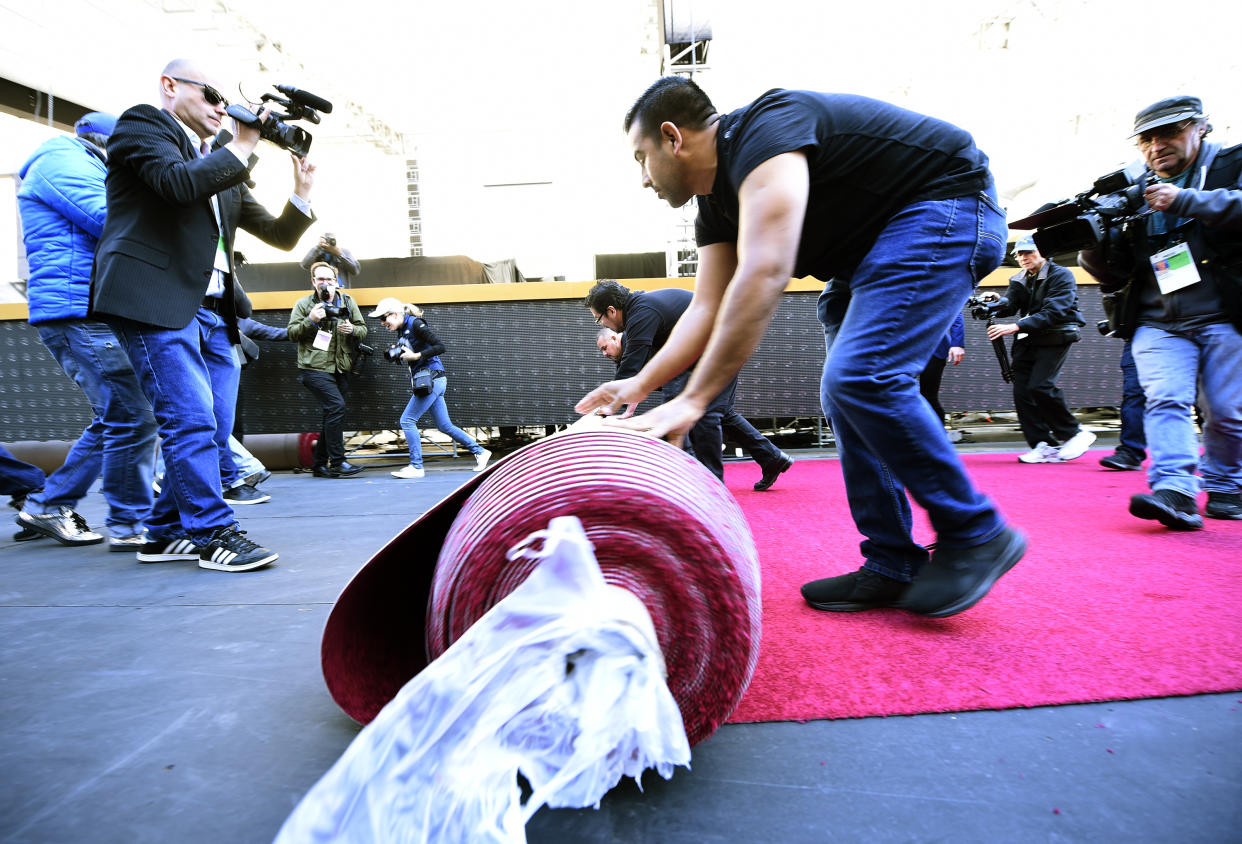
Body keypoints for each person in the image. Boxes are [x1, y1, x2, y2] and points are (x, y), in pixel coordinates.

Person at [576, 77, 1024, 618]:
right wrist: (639, 385)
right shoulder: (715, 207)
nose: (643, 180)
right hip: (865, 254)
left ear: (672, 137)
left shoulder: (765, 129)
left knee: (865, 377)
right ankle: (892, 561)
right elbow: (705, 308)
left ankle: (976, 531)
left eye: (640, 158)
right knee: (847, 396)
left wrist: (694, 400)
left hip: (945, 204)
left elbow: (765, 272)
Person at [91, 59, 316, 571]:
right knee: (189, 419)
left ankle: (164, 531)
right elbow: (176, 185)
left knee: (213, 426)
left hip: (215, 312)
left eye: (225, 99)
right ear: (170, 86)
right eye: (212, 94)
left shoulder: (221, 166)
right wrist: (243, 142)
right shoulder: (143, 125)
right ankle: (213, 533)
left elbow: (279, 236)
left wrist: (301, 191)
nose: (221, 107)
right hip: (155, 300)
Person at [1079, 95, 1242, 528]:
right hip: (1156, 320)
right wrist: (1090, 244)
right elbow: (1110, 272)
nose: (1156, 146)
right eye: (1146, 139)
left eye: (1167, 133)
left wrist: (1184, 200)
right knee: (1165, 400)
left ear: (1200, 128)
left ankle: (1227, 483)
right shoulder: (1131, 192)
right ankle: (1175, 490)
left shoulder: (1231, 164)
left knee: (1226, 411)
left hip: (1226, 314)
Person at [15, 111, 158, 550]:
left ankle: (48, 505)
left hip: (87, 308)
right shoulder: (63, 158)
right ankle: (129, 523)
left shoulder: (85, 163)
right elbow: (110, 220)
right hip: (79, 310)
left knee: (119, 414)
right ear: (109, 143)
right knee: (132, 415)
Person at [585, 280, 793, 488]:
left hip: (718, 347)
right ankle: (771, 458)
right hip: (715, 347)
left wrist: (606, 410)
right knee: (721, 413)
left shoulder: (641, 313)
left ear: (611, 311)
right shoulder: (641, 309)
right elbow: (642, 371)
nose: (602, 324)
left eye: (598, 319)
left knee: (702, 413)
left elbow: (631, 368)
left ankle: (710, 485)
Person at [981, 236, 1095, 463]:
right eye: (1019, 254)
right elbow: (1011, 305)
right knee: (1022, 392)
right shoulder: (1019, 278)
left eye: (1028, 252)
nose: (1023, 258)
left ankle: (1075, 433)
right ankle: (1043, 445)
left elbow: (1055, 312)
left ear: (1042, 252)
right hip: (1028, 338)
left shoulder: (1061, 275)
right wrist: (995, 301)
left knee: (1041, 386)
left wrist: (1015, 326)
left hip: (1056, 335)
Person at [371, 297, 491, 478]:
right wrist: (399, 354)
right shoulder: (403, 329)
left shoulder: (416, 323)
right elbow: (412, 353)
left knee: (407, 420)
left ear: (395, 314)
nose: (382, 323)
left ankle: (416, 466)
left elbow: (440, 346)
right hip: (434, 380)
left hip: (432, 379)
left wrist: (416, 355)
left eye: (383, 318)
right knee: (444, 425)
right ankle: (481, 452)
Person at [287, 262, 368, 478]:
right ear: (313, 282)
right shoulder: (304, 304)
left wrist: (353, 329)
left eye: (329, 279)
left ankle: (319, 464)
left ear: (336, 281)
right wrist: (311, 320)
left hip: (342, 367)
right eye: (320, 279)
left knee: (332, 413)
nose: (325, 283)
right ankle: (338, 462)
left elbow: (363, 329)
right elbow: (292, 333)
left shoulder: (347, 302)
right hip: (314, 367)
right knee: (336, 407)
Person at [1099, 338, 1146, 471]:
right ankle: (1131, 452)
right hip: (1142, 331)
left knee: (1200, 394)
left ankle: (1209, 452)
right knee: (1134, 393)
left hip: (1191, 328)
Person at [921, 311, 966, 442]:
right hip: (901, 349)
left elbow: (955, 312)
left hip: (934, 348)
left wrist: (957, 343)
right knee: (898, 395)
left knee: (929, 396)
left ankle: (939, 440)